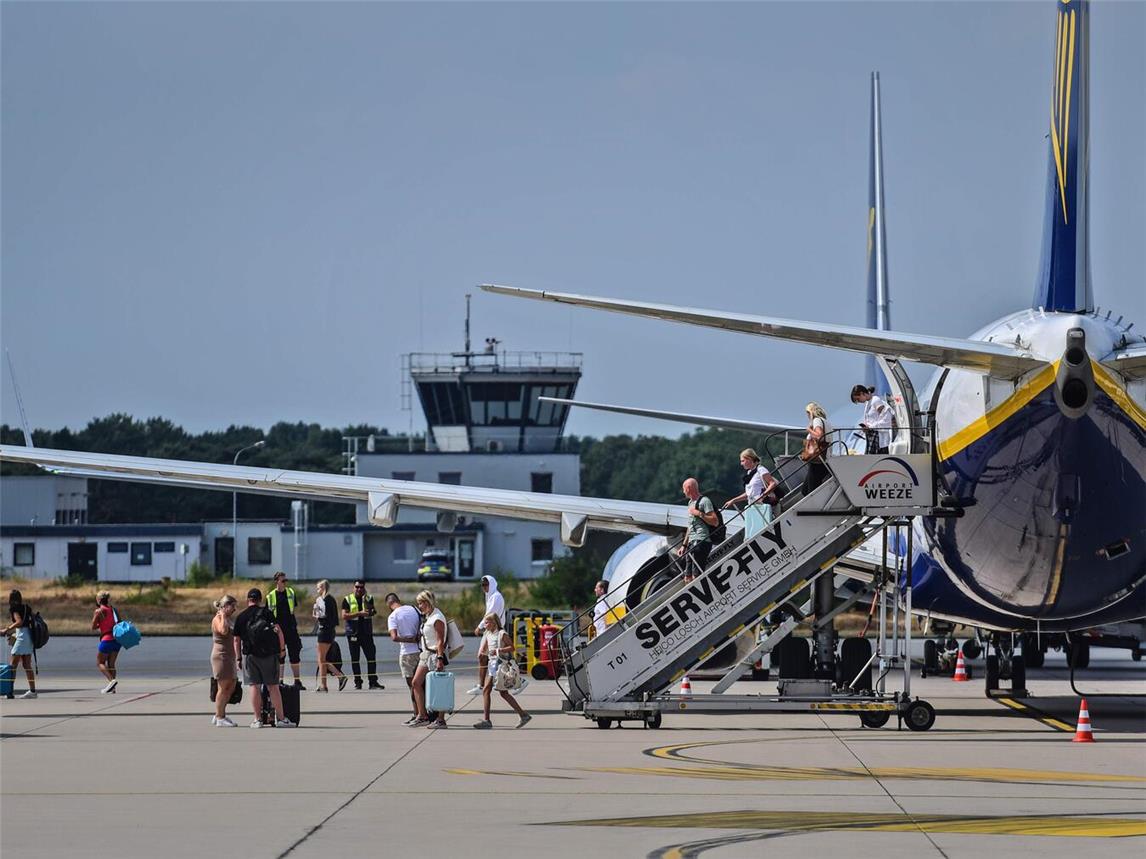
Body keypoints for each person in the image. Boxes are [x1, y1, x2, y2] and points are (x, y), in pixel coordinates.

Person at [232, 588, 294, 728]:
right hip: (269, 654)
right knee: (273, 687)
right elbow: (279, 631)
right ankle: (281, 719)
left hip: (250, 656)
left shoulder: (241, 617)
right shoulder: (267, 613)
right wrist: (282, 649)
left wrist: (238, 659)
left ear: (248, 600)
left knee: (254, 686)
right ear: (260, 599)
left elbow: (236, 640)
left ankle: (257, 719)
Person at [472, 613, 531, 729]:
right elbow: (485, 649)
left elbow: (512, 648)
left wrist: (499, 650)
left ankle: (488, 720)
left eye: (487, 622)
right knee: (494, 692)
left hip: (500, 665)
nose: (485, 625)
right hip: (492, 665)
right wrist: (483, 652)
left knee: (493, 691)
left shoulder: (502, 634)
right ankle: (522, 715)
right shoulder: (488, 633)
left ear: (494, 622)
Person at [410, 589, 448, 729]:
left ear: (427, 602)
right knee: (416, 682)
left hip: (434, 654)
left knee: (438, 686)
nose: (419, 606)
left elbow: (440, 640)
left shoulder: (437, 617)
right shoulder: (429, 616)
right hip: (425, 654)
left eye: (421, 603)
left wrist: (439, 658)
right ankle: (423, 716)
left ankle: (440, 719)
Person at [723, 449, 780, 539]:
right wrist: (734, 500)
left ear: (749, 459)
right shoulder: (750, 473)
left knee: (764, 533)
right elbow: (749, 494)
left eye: (743, 460)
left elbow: (772, 483)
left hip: (764, 507)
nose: (741, 463)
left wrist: (763, 495)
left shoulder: (761, 470)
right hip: (755, 507)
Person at [385, 592, 422, 724]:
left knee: (412, 686)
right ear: (398, 600)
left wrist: (409, 640)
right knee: (422, 685)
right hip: (421, 651)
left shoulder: (392, 616)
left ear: (389, 604)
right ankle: (426, 713)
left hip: (406, 653)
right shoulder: (414, 609)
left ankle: (417, 713)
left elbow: (394, 637)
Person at [265, 572, 304, 690]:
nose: (285, 583)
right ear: (276, 581)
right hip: (278, 629)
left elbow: (293, 609)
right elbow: (267, 615)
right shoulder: (270, 596)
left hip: (291, 628)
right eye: (282, 581)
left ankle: (297, 681)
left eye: (285, 580)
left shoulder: (291, 593)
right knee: (280, 655)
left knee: (295, 654)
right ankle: (280, 681)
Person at [467, 575, 506, 695]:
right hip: (490, 630)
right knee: (485, 656)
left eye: (486, 585)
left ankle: (515, 680)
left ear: (492, 584)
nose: (484, 587)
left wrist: (480, 626)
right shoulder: (490, 597)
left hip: (495, 631)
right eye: (482, 585)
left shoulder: (496, 597)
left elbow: (490, 614)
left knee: (497, 657)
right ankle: (482, 684)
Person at [341, 580, 382, 690]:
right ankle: (358, 682)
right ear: (353, 587)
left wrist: (367, 605)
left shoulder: (369, 598)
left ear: (364, 588)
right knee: (355, 659)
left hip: (366, 633)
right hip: (353, 633)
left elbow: (373, 611)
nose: (359, 589)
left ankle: (373, 682)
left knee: (371, 657)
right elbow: (344, 616)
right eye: (357, 587)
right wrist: (359, 613)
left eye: (361, 587)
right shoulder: (347, 599)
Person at [677, 477, 718, 580]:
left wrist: (699, 514)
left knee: (697, 575)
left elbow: (715, 521)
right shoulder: (690, 503)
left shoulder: (704, 501)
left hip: (702, 540)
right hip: (692, 542)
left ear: (689, 488)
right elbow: (690, 526)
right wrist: (684, 545)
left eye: (684, 488)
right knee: (688, 577)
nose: (683, 491)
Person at [312, 580, 348, 693]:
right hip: (329, 631)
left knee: (322, 659)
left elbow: (322, 616)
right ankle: (324, 685)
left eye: (318, 588)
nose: (317, 590)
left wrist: (316, 612)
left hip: (324, 631)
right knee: (322, 659)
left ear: (323, 588)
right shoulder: (329, 599)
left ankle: (339, 676)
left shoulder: (324, 600)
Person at [210, 594, 240, 727]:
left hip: (229, 656)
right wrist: (222, 615)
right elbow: (223, 631)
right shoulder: (218, 619)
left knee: (231, 686)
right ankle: (219, 717)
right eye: (233, 606)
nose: (235, 609)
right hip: (221, 656)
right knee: (223, 687)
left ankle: (221, 713)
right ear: (226, 606)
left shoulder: (228, 619)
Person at [3, 590, 37, 699]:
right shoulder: (27, 607)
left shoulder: (14, 609)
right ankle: (32, 691)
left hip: (22, 637)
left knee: (12, 666)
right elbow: (27, 624)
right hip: (29, 637)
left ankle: (9, 691)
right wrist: (15, 633)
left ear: (11, 599)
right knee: (27, 665)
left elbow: (19, 622)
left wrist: (7, 629)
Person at [801, 402, 833, 497]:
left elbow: (819, 435)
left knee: (810, 490)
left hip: (818, 459)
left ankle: (815, 510)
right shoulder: (825, 421)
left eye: (807, 413)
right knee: (806, 489)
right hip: (824, 458)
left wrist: (809, 430)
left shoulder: (817, 421)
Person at [851, 384, 893, 454]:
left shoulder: (876, 400)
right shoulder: (868, 403)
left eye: (858, 399)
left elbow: (886, 420)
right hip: (871, 436)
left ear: (862, 393)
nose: (858, 402)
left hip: (878, 438)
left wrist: (870, 427)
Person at [91, 591, 120, 694]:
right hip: (117, 640)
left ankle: (111, 681)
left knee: (100, 662)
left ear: (98, 600)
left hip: (107, 639)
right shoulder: (113, 610)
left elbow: (93, 627)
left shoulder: (99, 611)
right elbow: (119, 622)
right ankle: (113, 688)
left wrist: (101, 625)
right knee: (111, 663)